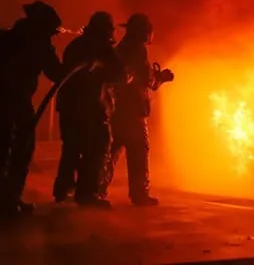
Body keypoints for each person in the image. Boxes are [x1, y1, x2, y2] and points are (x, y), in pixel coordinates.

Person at [0, 0, 63, 215]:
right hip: (15, 101)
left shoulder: (1, 38)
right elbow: (56, 73)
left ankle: (0, 197)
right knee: (20, 147)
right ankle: (8, 197)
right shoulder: (38, 43)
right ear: (42, 26)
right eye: (51, 32)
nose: (52, 36)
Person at [49, 11, 124, 207]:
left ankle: (62, 188)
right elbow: (119, 74)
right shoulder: (102, 48)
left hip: (70, 108)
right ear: (106, 30)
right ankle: (87, 193)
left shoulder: (76, 45)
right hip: (92, 109)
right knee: (97, 148)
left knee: (72, 148)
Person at [102, 13, 173, 206]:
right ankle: (140, 193)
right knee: (139, 152)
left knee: (111, 152)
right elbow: (145, 78)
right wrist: (161, 78)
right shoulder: (138, 50)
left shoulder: (120, 48)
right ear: (144, 33)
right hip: (133, 111)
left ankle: (97, 190)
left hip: (117, 109)